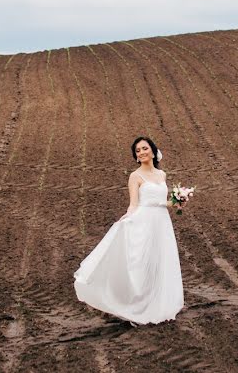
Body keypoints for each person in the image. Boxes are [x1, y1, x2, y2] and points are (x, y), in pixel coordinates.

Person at [74, 136, 184, 325]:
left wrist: (176, 202)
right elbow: (134, 204)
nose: (141, 152)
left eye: (144, 148)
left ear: (152, 150)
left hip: (161, 223)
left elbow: (162, 202)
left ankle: (159, 301)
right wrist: (127, 218)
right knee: (140, 262)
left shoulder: (161, 175)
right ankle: (135, 302)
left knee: (160, 259)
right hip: (144, 222)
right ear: (136, 156)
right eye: (138, 151)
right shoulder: (135, 176)